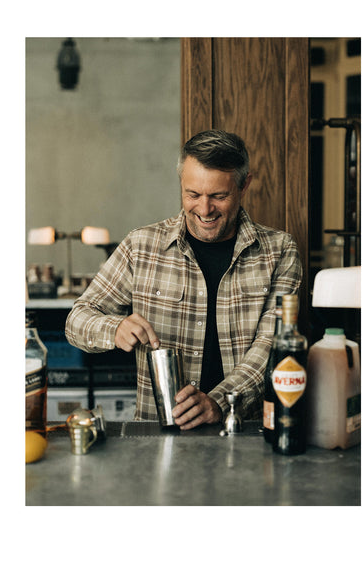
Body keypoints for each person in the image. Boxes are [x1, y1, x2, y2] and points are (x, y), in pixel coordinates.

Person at [65, 130, 302, 430]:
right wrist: (114, 328)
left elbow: (273, 343)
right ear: (181, 184)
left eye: (219, 196)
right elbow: (77, 320)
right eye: (193, 194)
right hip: (156, 437)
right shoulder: (141, 247)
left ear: (245, 185)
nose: (204, 210)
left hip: (243, 433)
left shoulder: (279, 251)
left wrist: (219, 401)